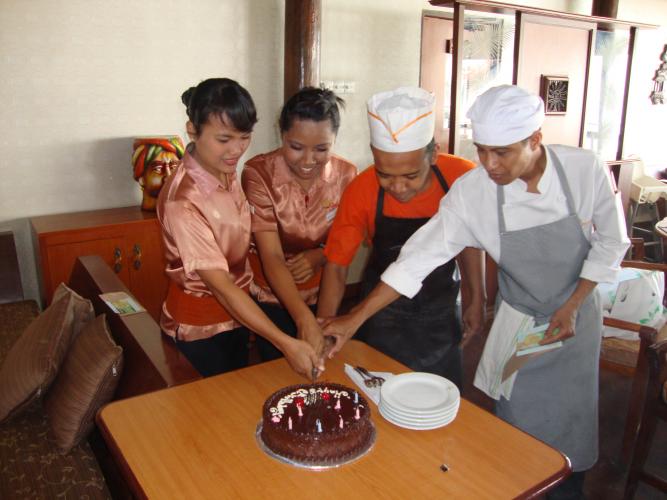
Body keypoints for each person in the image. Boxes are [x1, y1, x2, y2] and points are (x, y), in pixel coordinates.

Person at [326, 85, 630, 499]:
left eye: (501, 152)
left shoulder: (582, 169)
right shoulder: (474, 192)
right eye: (482, 150)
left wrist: (574, 303)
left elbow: (612, 242)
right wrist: (354, 318)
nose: (488, 163)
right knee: (514, 422)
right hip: (523, 320)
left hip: (575, 320)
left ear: (534, 140)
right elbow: (416, 259)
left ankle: (567, 488)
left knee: (572, 425)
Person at [156, 78, 321, 379]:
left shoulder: (224, 171)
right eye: (224, 139)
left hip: (237, 319)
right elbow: (222, 285)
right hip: (199, 329)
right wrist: (285, 343)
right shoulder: (183, 200)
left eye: (244, 137)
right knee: (210, 415)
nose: (236, 150)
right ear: (192, 129)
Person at [317, 86, 481, 388]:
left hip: (441, 308)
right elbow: (337, 266)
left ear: (432, 154)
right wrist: (325, 327)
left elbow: (470, 242)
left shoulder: (461, 178)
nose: (398, 187)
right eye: (385, 175)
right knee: (378, 394)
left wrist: (475, 297)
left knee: (441, 394)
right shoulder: (361, 190)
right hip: (381, 313)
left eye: (410, 176)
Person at [241, 87, 356, 361]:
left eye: (321, 149)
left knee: (322, 361)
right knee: (276, 368)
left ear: (334, 141)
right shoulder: (258, 173)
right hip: (273, 292)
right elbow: (271, 255)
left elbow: (340, 253)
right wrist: (304, 321)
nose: (308, 161)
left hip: (324, 288)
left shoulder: (346, 175)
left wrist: (323, 322)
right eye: (295, 147)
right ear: (282, 136)